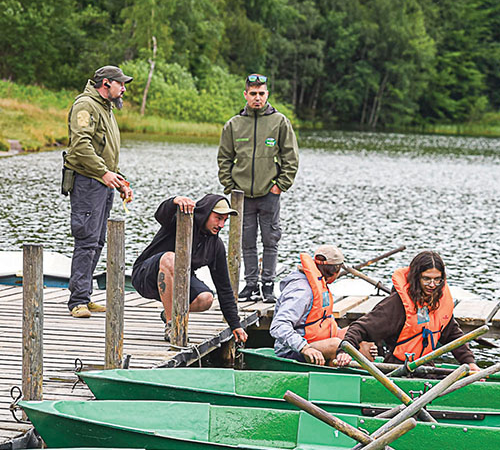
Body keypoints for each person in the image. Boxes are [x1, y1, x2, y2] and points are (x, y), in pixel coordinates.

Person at [217, 73, 299, 302]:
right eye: (253, 93)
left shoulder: (279, 122)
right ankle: (251, 284)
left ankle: (268, 285)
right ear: (245, 94)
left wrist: (280, 186)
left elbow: (291, 158)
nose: (257, 98)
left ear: (267, 94)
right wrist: (230, 186)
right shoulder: (234, 124)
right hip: (241, 195)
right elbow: (224, 158)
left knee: (270, 240)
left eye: (261, 93)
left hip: (269, 193)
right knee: (246, 241)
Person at [63, 65, 134, 318]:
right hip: (87, 183)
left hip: (102, 182)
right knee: (86, 240)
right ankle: (77, 302)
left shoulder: (106, 108)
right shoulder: (86, 106)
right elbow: (80, 145)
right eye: (120, 84)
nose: (123, 89)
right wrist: (104, 173)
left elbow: (105, 152)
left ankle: (84, 295)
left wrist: (119, 180)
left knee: (98, 241)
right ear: (106, 83)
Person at [132, 194, 248, 344]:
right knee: (171, 258)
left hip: (179, 280)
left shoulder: (216, 245)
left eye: (225, 220)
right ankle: (172, 325)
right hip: (145, 276)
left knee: (206, 298)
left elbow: (224, 288)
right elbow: (160, 215)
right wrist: (174, 201)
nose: (221, 225)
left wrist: (235, 325)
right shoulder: (181, 221)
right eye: (218, 218)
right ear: (206, 213)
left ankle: (170, 313)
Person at [336, 250, 476, 373]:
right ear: (416, 277)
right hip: (397, 369)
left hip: (426, 366)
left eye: (437, 279)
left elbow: (454, 336)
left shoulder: (438, 303)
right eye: (426, 279)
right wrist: (345, 351)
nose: (432, 285)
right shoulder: (397, 304)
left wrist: (470, 362)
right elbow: (360, 327)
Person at [269, 244, 375, 365]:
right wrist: (304, 348)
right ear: (335, 271)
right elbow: (279, 325)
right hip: (293, 350)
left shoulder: (321, 284)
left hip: (318, 341)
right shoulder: (301, 290)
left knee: (360, 333)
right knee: (336, 344)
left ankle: (367, 370)